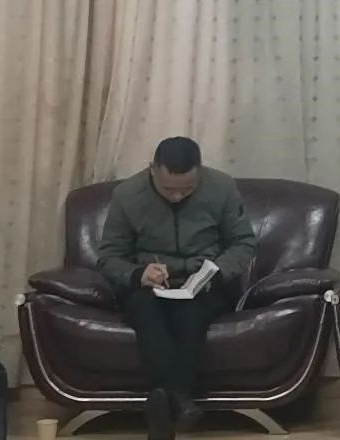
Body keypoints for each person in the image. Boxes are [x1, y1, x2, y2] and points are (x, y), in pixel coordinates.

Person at [97, 137, 257, 440]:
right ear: (152, 170)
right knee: (145, 308)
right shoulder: (127, 195)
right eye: (168, 189)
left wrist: (216, 272)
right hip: (150, 284)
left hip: (207, 283)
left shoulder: (222, 188)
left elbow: (243, 243)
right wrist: (138, 274)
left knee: (191, 311)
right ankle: (179, 402)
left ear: (200, 171)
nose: (177, 196)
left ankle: (164, 404)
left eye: (187, 188)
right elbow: (109, 256)